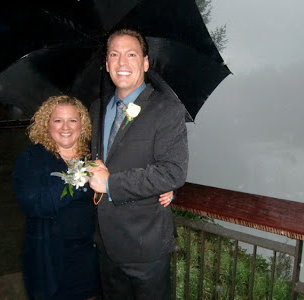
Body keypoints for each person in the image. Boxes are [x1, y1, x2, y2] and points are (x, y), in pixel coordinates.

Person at [88, 27, 189, 299]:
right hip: (106, 245)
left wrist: (110, 183)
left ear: (145, 62)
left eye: (131, 54)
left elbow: (173, 170)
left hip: (146, 247)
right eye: (114, 55)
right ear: (106, 63)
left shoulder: (166, 109)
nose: (122, 63)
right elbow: (100, 161)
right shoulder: (97, 109)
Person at [12, 95, 101, 299]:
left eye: (72, 120)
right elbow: (35, 205)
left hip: (90, 260)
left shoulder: (94, 158)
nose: (65, 127)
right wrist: (79, 176)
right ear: (47, 124)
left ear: (82, 124)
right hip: (49, 262)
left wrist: (164, 189)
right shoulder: (31, 159)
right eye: (57, 120)